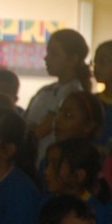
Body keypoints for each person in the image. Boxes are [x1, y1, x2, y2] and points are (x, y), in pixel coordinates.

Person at [25, 29, 92, 164]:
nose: (46, 57)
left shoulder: (72, 93)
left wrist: (30, 129)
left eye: (54, 53)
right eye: (48, 52)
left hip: (49, 162)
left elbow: (38, 132)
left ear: (73, 59)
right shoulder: (46, 90)